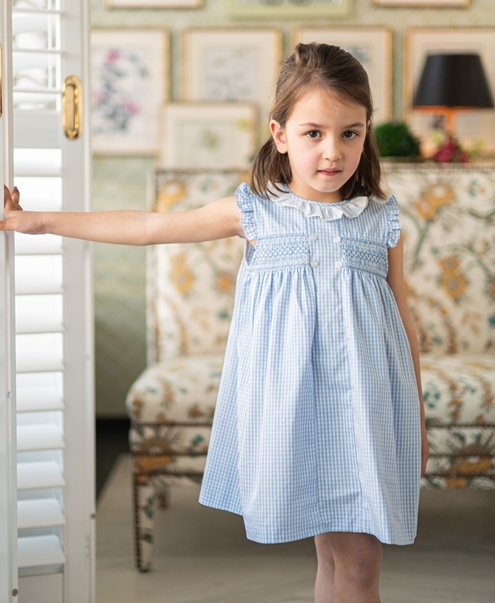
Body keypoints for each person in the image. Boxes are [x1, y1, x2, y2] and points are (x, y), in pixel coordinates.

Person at [3, 42, 428, 603]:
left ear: (367, 131)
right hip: (297, 409)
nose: (333, 151)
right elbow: (149, 225)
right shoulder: (255, 211)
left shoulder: (380, 218)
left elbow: (402, 318)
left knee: (356, 559)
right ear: (280, 135)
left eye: (350, 133)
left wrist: (415, 416)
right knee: (340, 555)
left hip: (370, 411)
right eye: (314, 133)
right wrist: (35, 221)